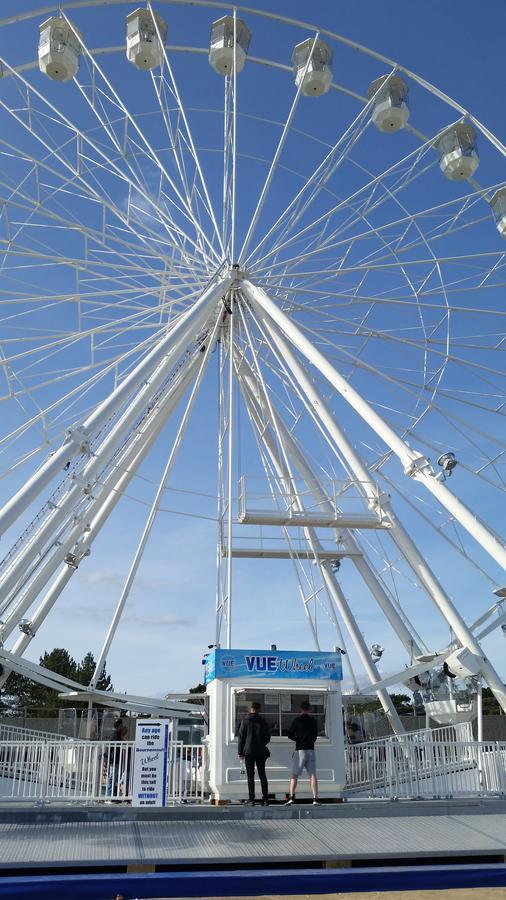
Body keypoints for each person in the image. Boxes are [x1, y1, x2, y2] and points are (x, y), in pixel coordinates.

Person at [286, 700, 319, 805]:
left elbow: (289, 734)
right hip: (311, 750)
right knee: (312, 774)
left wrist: (298, 740)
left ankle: (291, 797)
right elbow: (315, 735)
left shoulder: (297, 721)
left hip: (300, 750)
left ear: (300, 709)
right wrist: (310, 741)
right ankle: (315, 798)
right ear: (309, 709)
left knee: (294, 774)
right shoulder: (313, 721)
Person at [237, 701, 271, 806]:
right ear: (259, 709)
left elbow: (241, 737)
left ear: (251, 709)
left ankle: (251, 799)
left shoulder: (245, 721)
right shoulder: (263, 721)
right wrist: (261, 743)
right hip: (261, 751)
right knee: (262, 775)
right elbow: (267, 737)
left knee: (250, 776)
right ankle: (265, 799)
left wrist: (240, 751)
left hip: (249, 751)